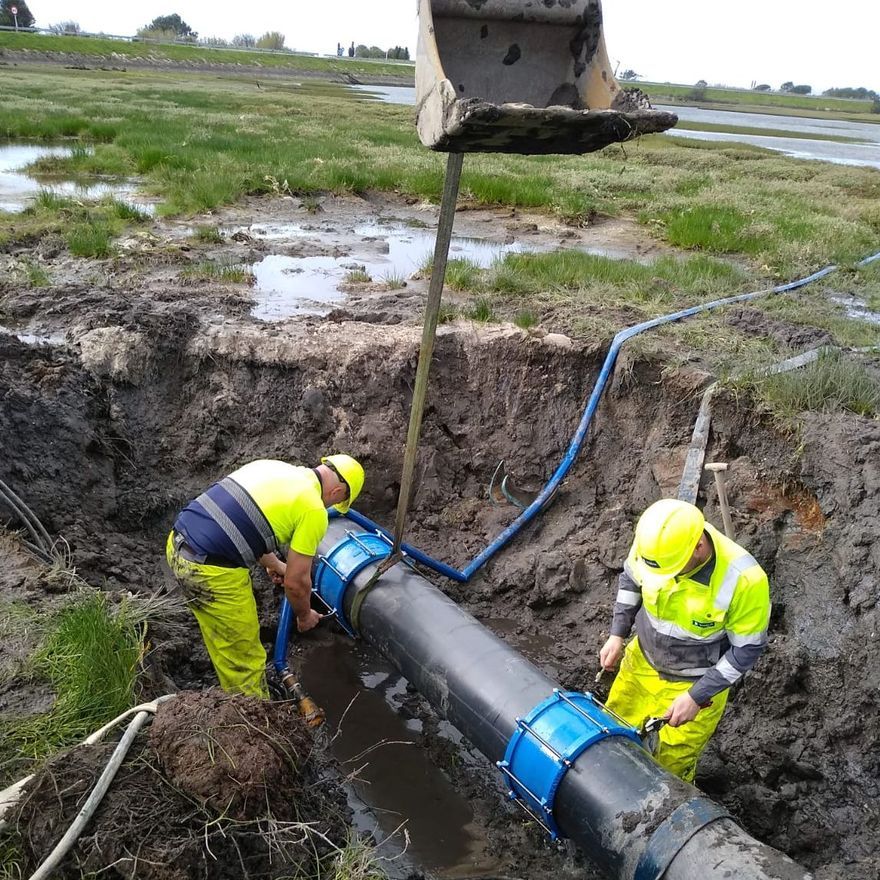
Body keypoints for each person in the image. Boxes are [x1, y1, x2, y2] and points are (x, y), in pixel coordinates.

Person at [598, 498, 770, 782]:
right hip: (642, 661)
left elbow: (747, 650)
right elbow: (631, 580)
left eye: (671, 571)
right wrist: (617, 634)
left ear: (698, 548)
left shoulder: (744, 580)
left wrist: (696, 696)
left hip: (694, 682)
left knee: (670, 765)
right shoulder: (654, 545)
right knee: (613, 729)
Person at [166, 455, 364, 698]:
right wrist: (304, 615)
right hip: (212, 572)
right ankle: (253, 722)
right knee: (245, 658)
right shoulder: (313, 508)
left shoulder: (272, 467)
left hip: (178, 546)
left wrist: (275, 564)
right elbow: (296, 582)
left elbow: (241, 519)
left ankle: (230, 697)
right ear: (336, 491)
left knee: (223, 641)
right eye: (338, 502)